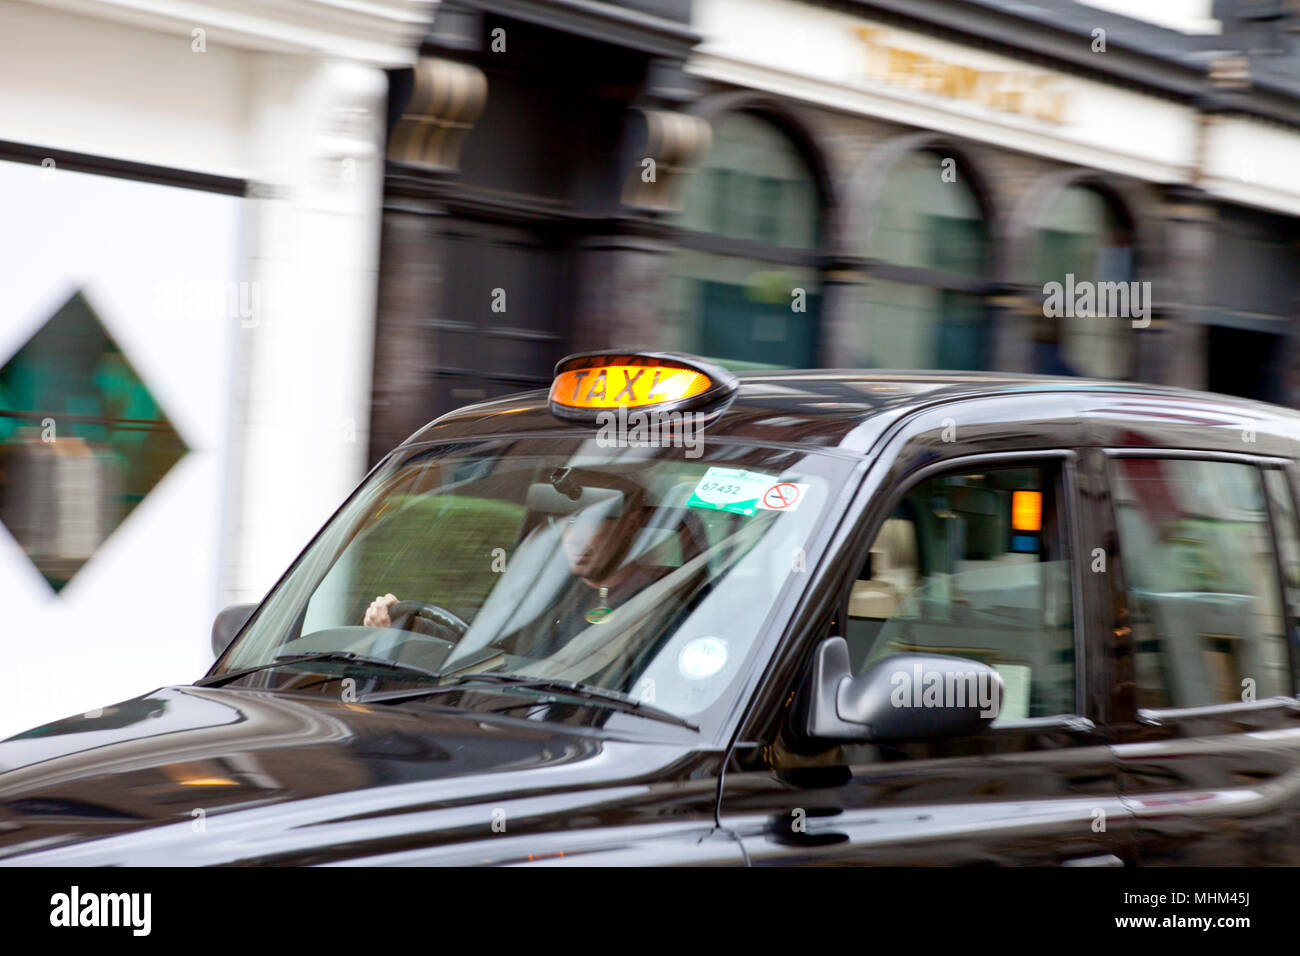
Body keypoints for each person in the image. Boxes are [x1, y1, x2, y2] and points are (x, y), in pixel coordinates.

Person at [363, 489, 673, 660]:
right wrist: (399, 633)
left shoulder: (666, 603)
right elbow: (490, 654)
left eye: (589, 522)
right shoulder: (548, 596)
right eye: (566, 522)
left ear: (631, 525)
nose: (574, 538)